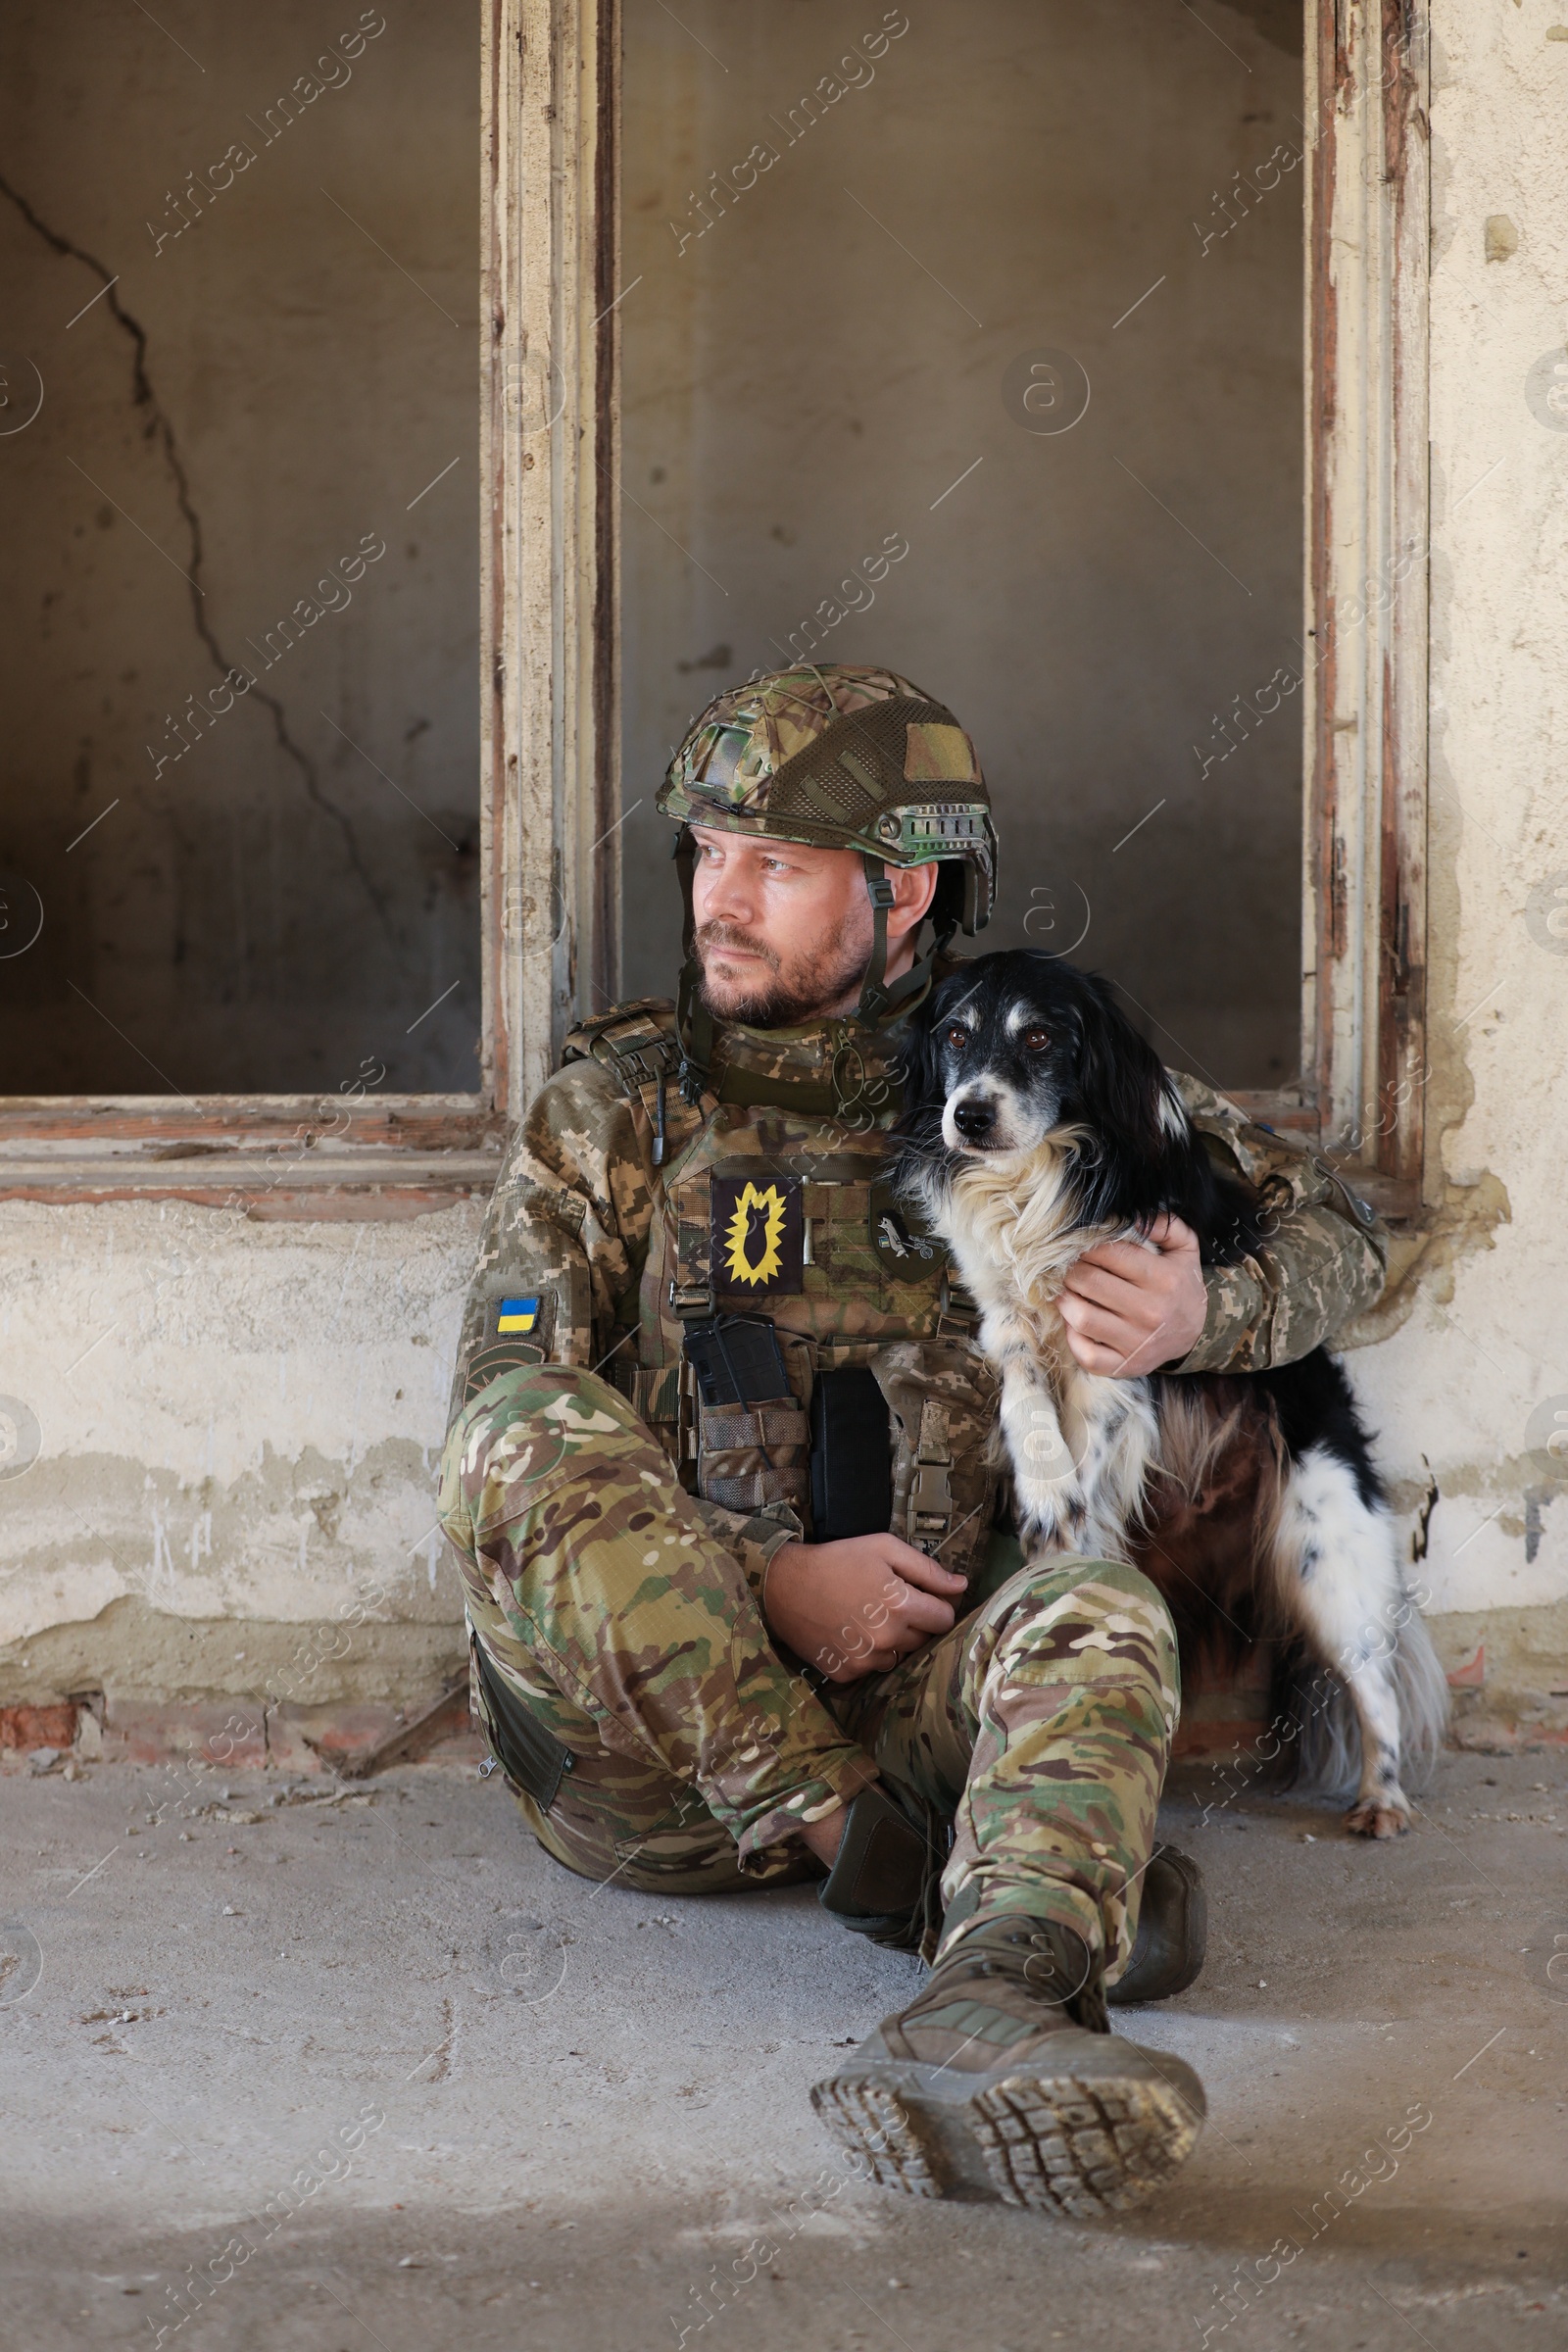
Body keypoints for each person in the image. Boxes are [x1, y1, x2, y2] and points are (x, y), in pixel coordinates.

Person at [437, 662, 1388, 2215]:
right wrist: (762, 1582)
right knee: (522, 1437)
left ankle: (996, 1997)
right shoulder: (614, 1110)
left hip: (923, 1715)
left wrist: (1195, 1310)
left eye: (776, 865)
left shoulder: (1025, 1063)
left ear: (905, 889)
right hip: (652, 1767)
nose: (719, 900)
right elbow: (499, 1420)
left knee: (1096, 1611)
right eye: (709, 854)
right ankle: (855, 1849)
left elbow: (1341, 1224)